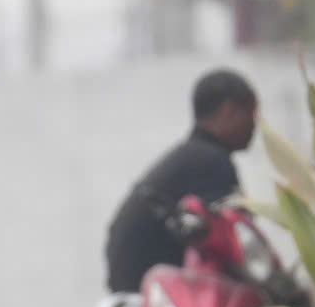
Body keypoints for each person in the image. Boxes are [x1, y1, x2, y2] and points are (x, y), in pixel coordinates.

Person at [104, 68, 259, 295]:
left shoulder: (190, 157)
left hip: (133, 288)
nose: (255, 125)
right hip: (154, 291)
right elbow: (238, 239)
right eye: (252, 114)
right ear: (229, 112)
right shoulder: (212, 162)